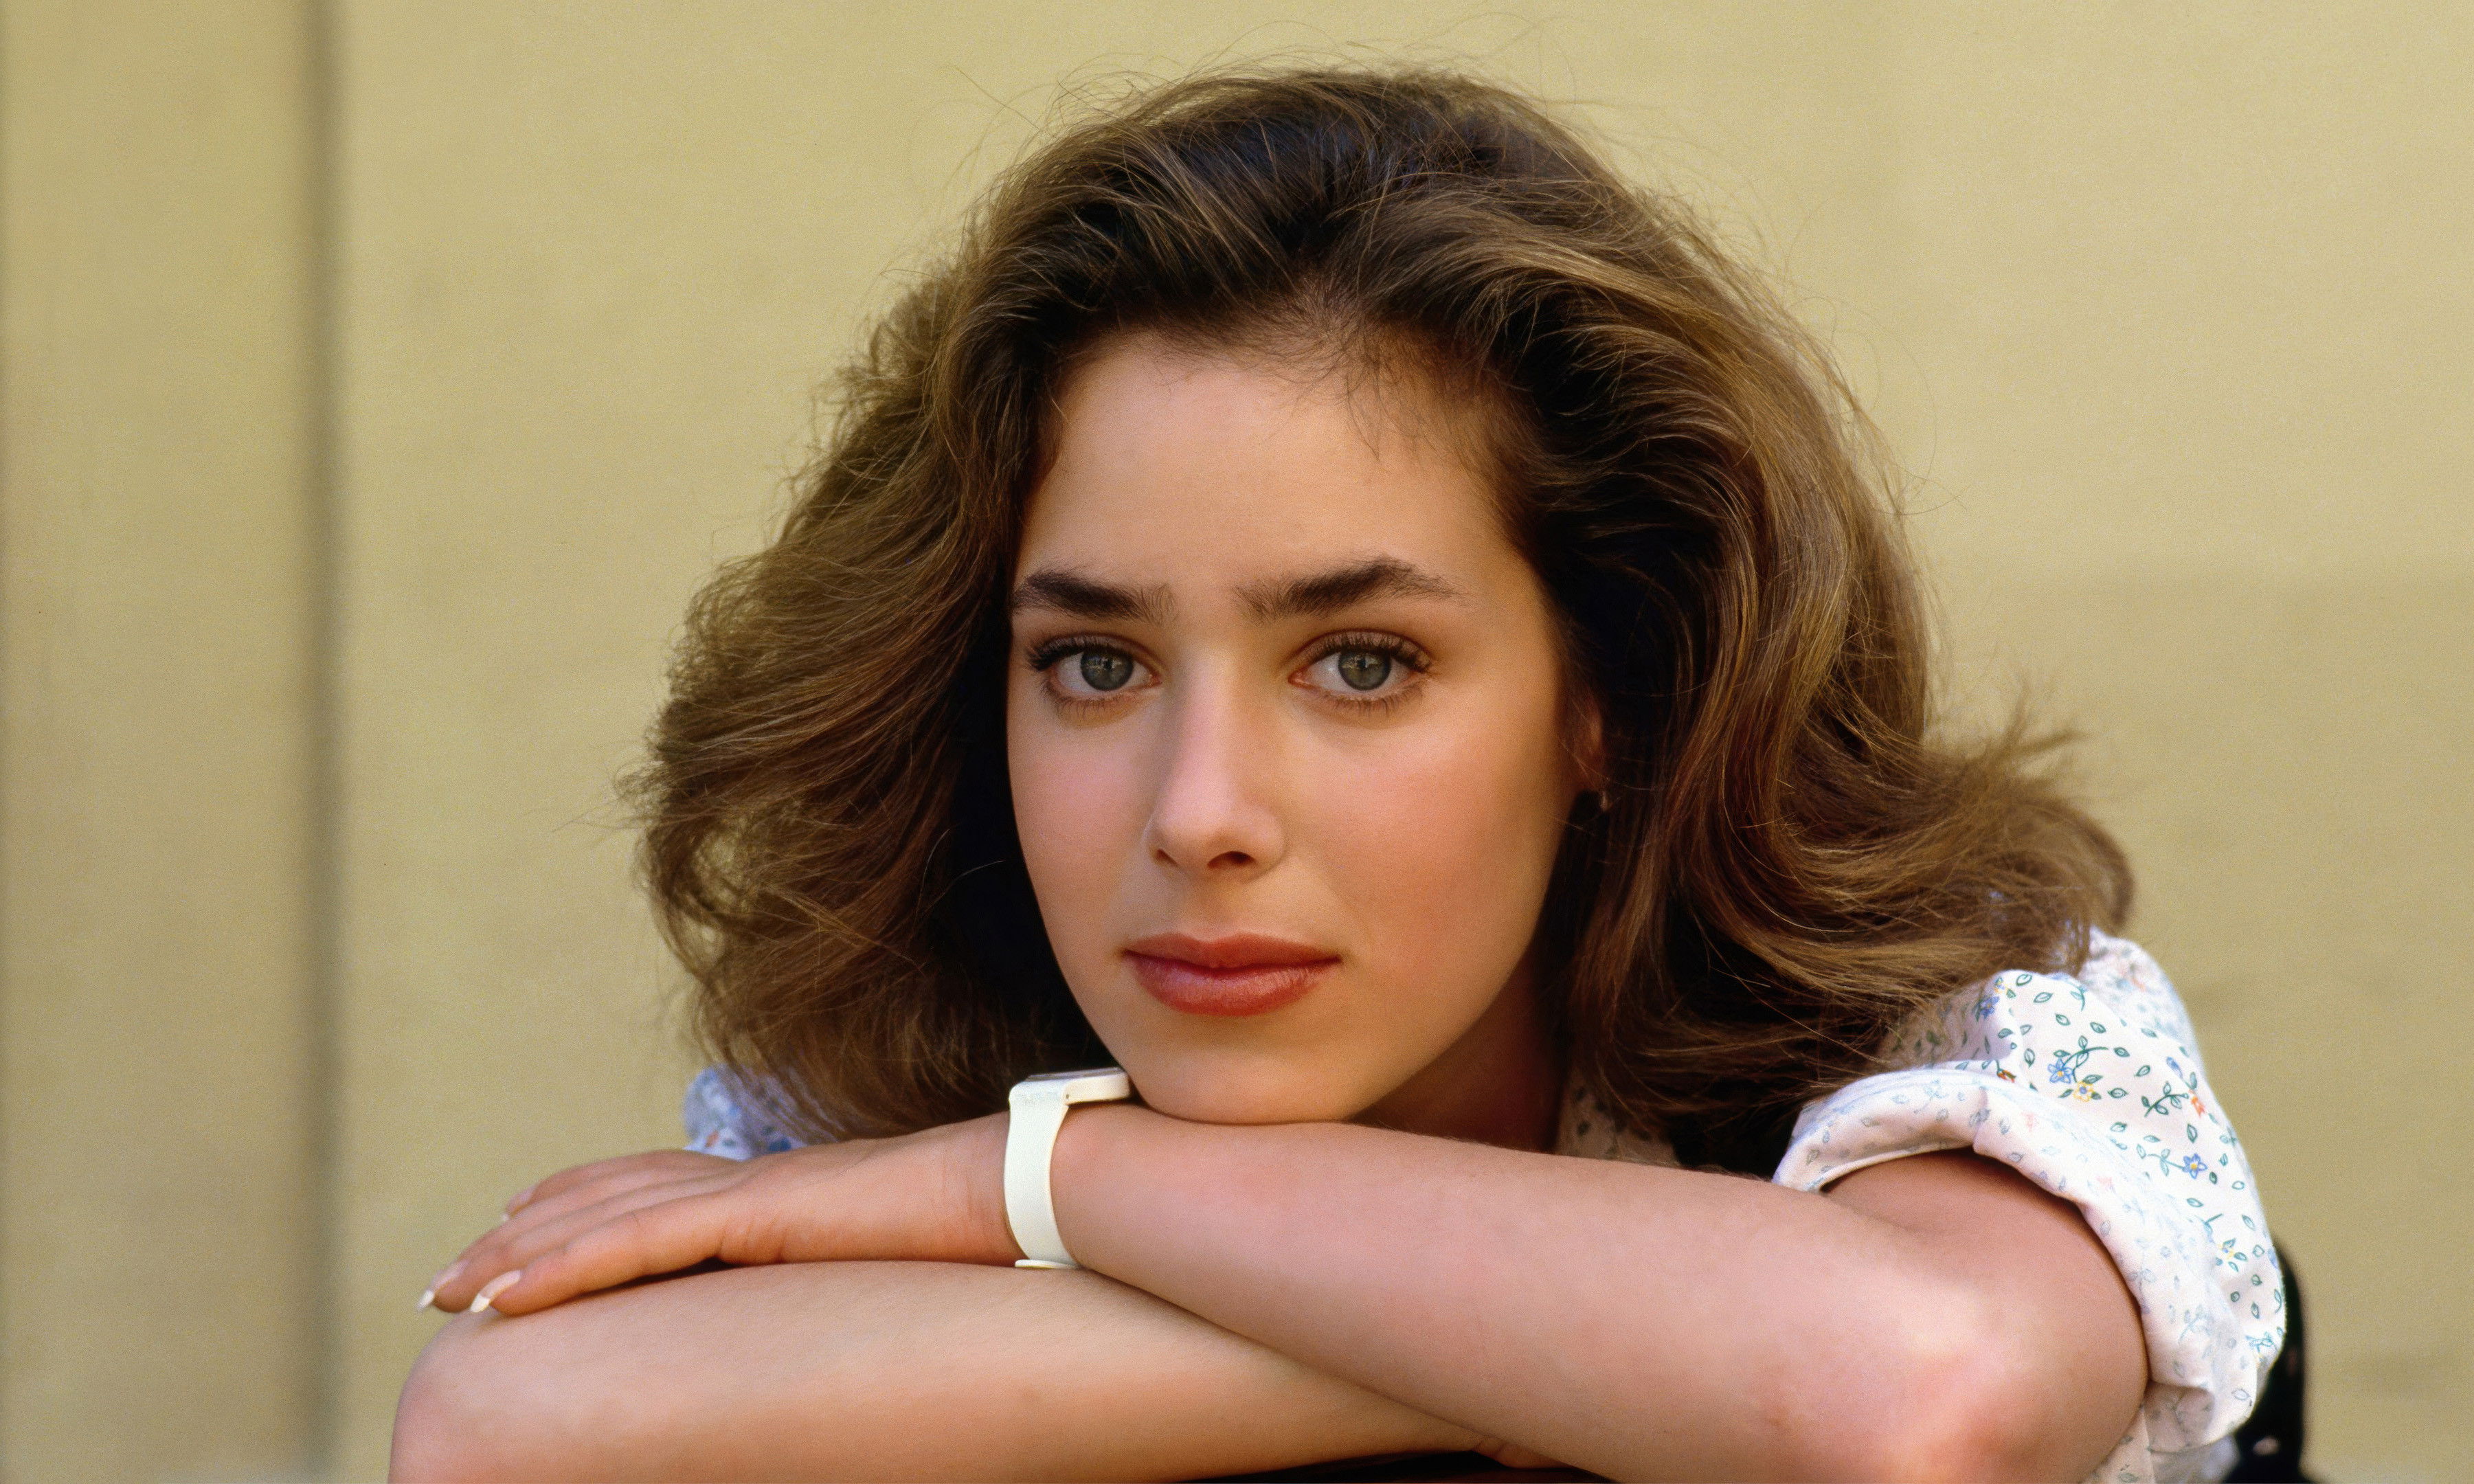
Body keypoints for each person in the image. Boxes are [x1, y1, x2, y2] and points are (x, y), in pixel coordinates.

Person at [392, 65, 2282, 1483]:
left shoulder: (1953, 1036)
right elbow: (506, 1429)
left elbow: (1921, 1399)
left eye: (1361, 664)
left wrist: (1041, 1182)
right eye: (1096, 665)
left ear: (1612, 693)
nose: (1200, 814)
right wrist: (1626, 1361)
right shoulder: (893, 1073)